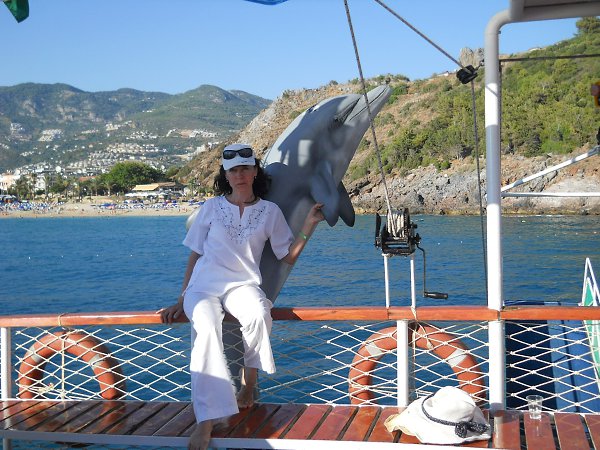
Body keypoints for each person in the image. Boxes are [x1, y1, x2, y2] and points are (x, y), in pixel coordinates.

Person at [159, 143, 324, 450]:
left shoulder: (270, 212)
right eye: (233, 170)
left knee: (259, 313)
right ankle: (206, 421)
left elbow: (285, 256)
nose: (240, 175)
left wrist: (308, 227)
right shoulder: (211, 207)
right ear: (226, 175)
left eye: (245, 168)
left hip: (241, 285)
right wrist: (182, 298)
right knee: (207, 330)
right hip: (203, 287)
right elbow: (195, 255)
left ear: (255, 172)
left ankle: (248, 385)